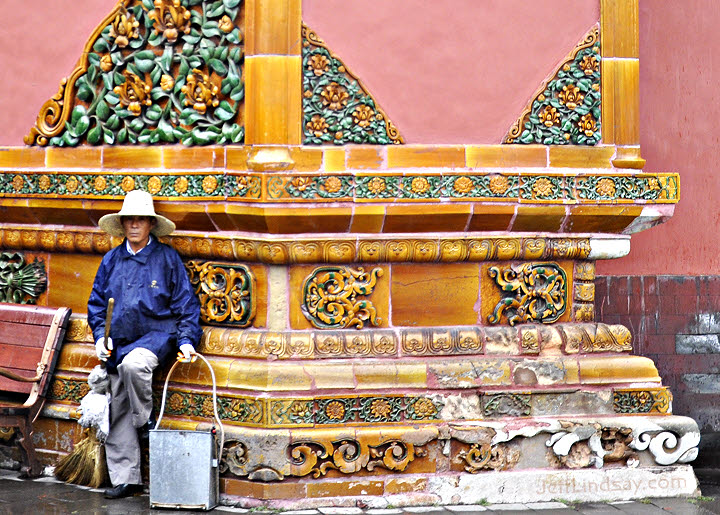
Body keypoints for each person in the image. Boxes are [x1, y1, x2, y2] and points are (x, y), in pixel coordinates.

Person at [87, 190, 201, 499]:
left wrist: (188, 339)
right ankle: (127, 478)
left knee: (133, 365)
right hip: (119, 342)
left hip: (156, 337)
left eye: (141, 220)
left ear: (151, 224)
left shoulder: (166, 258)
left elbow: (186, 304)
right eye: (129, 220)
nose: (134, 225)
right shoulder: (111, 260)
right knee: (115, 408)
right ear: (122, 224)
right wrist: (100, 336)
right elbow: (97, 305)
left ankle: (145, 419)